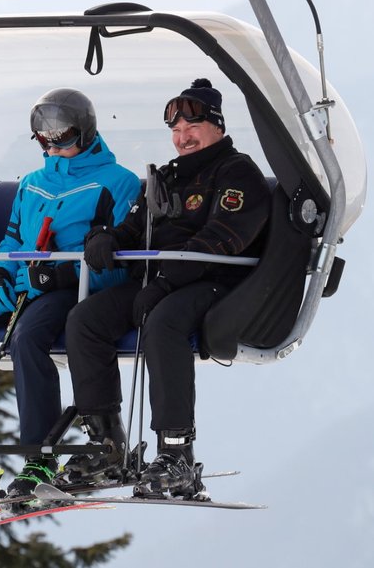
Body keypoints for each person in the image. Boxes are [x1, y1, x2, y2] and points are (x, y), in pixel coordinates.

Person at [0, 88, 140, 499]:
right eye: (43, 138)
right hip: (18, 284)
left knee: (27, 337)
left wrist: (55, 277)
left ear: (85, 132)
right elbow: (12, 240)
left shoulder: (116, 183)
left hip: (70, 288)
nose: (52, 146)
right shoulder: (32, 183)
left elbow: (117, 264)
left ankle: (40, 457)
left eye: (63, 137)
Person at [64, 78, 270, 498]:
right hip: (160, 280)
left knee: (164, 323)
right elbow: (134, 226)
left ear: (216, 126)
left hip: (216, 282)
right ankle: (107, 445)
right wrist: (106, 239)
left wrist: (163, 284)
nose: (182, 138)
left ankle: (177, 453)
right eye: (175, 131)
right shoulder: (169, 176)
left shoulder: (237, 173)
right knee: (86, 320)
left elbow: (222, 238)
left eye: (191, 129)